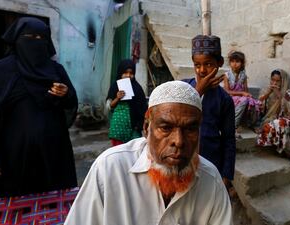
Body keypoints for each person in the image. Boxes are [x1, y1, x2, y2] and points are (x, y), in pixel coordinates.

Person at [65, 81, 233, 225]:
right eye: (166, 128)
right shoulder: (109, 169)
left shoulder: (211, 182)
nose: (179, 141)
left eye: (190, 129)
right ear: (146, 128)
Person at [0, 17, 78, 198]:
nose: (36, 43)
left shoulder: (56, 71)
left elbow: (71, 104)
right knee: (14, 210)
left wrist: (66, 94)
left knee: (56, 209)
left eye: (41, 38)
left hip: (54, 158)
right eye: (29, 37)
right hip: (13, 160)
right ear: (17, 39)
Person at [184, 35, 236, 195]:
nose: (201, 70)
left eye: (208, 64)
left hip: (210, 161)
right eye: (197, 65)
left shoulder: (224, 99)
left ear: (219, 63)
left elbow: (229, 139)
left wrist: (226, 175)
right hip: (183, 158)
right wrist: (198, 91)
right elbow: (178, 112)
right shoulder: (183, 87)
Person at [256, 69, 290, 166]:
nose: (274, 83)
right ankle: (288, 152)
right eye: (273, 80)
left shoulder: (287, 92)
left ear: (283, 81)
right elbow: (259, 105)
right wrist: (267, 94)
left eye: (277, 81)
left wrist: (278, 94)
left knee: (279, 123)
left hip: (289, 120)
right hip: (273, 120)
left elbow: (287, 111)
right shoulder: (266, 90)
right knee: (274, 125)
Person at [106, 59, 147, 146]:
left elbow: (143, 108)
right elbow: (109, 106)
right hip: (118, 126)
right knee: (118, 151)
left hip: (134, 127)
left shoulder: (137, 88)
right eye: (125, 73)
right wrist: (117, 98)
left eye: (131, 73)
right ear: (120, 73)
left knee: (134, 150)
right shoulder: (115, 86)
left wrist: (139, 125)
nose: (128, 75)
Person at [222, 51, 261, 131]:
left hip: (241, 97)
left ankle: (252, 124)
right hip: (230, 97)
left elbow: (245, 90)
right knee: (244, 100)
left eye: (237, 61)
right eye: (232, 61)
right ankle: (233, 125)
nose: (234, 64)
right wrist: (242, 93)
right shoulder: (227, 75)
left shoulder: (243, 75)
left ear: (242, 63)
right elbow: (227, 91)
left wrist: (248, 96)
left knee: (255, 102)